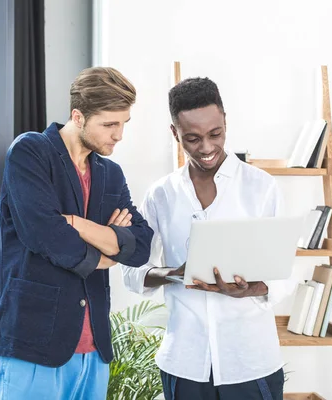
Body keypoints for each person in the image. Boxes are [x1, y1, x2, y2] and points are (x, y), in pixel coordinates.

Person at [121, 77, 295, 400]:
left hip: (250, 362)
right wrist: (174, 273)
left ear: (225, 120)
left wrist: (250, 289)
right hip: (186, 365)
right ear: (175, 133)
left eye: (215, 134)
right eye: (192, 138)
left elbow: (287, 272)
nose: (206, 147)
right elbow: (131, 272)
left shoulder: (262, 187)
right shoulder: (161, 196)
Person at [0, 67, 154, 400]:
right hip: (33, 343)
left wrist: (79, 225)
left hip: (94, 350)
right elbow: (48, 237)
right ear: (78, 116)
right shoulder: (31, 152)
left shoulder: (110, 173)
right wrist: (110, 245)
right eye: (109, 124)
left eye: (124, 123)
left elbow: (139, 246)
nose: (119, 135)